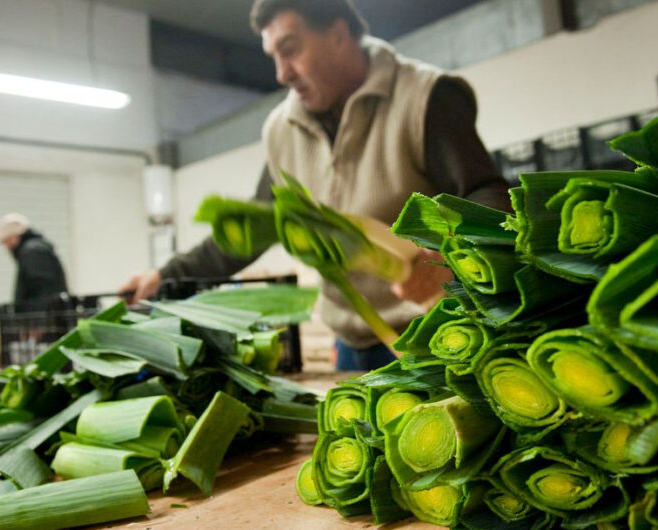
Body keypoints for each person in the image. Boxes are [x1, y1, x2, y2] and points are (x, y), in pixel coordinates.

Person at [121, 0, 510, 370]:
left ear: (339, 35)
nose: (281, 73)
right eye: (273, 56)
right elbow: (257, 227)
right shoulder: (281, 129)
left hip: (435, 336)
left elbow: (487, 195)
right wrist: (165, 276)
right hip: (349, 346)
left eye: (290, 50)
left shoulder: (425, 97)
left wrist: (452, 257)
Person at [0, 213, 68, 310]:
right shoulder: (34, 249)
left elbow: (42, 290)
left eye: (6, 241)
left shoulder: (32, 252)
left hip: (43, 318)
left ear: (14, 237)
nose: (6, 247)